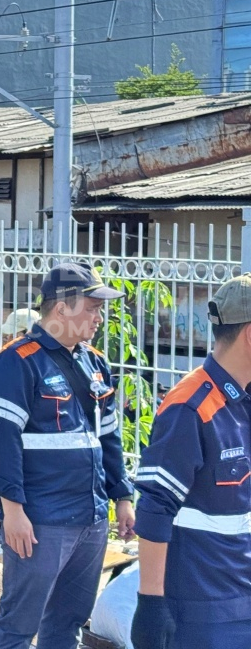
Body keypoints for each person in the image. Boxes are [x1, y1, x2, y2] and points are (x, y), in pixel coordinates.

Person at [0, 262, 135, 649]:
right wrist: (13, 511)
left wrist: (123, 498)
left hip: (91, 517)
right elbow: (3, 442)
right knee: (19, 625)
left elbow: (109, 438)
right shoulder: (14, 363)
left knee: (68, 623)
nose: (98, 317)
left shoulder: (94, 362)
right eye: (92, 307)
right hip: (41, 520)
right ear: (63, 307)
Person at [131, 275, 251, 649]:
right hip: (205, 613)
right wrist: (150, 603)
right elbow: (155, 507)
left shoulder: (243, 403)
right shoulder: (190, 407)